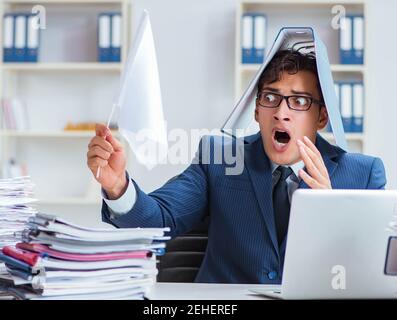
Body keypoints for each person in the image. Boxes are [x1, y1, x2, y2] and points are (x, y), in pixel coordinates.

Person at [86, 49, 386, 284]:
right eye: (271, 98)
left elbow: (377, 269)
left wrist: (333, 213)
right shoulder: (219, 158)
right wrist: (117, 186)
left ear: (322, 117)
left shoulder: (363, 174)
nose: (281, 113)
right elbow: (156, 221)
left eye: (299, 101)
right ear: (256, 110)